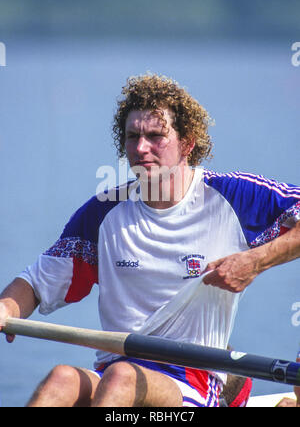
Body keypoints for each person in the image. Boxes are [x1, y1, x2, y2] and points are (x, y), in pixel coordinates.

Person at [1, 73, 300, 407]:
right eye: (133, 136)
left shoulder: (232, 197)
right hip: (115, 372)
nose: (141, 148)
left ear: (188, 143)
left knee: (122, 379)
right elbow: (34, 283)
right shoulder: (104, 213)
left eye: (156, 136)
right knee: (62, 378)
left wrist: (254, 261)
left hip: (194, 381)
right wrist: (6, 308)